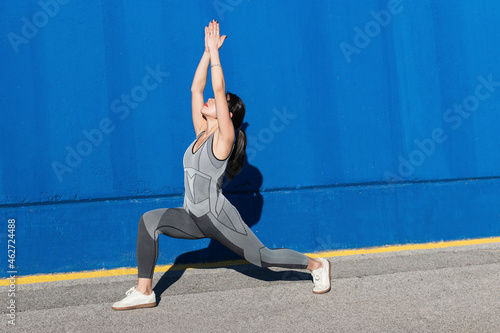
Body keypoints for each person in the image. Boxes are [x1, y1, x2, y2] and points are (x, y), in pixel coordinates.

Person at [112, 20, 331, 311]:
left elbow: (217, 86)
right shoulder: (201, 132)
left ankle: (317, 265)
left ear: (227, 113)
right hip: (192, 215)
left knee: (263, 259)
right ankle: (144, 291)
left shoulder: (223, 138)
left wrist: (216, 54)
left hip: (219, 219)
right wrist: (206, 52)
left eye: (217, 102)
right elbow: (195, 88)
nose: (209, 101)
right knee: (148, 221)